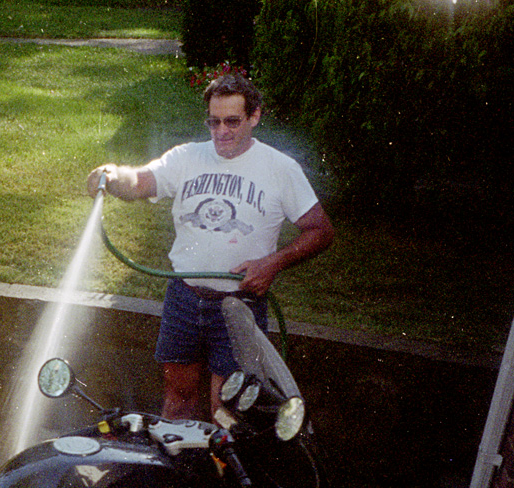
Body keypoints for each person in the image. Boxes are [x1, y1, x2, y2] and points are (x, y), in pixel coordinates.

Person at [86, 73, 333, 421]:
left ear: (254, 117)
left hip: (239, 305)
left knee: (226, 413)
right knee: (177, 401)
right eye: (214, 122)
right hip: (183, 299)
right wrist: (112, 175)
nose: (221, 132)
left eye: (232, 121)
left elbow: (320, 230)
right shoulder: (187, 157)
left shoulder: (281, 169)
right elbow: (141, 181)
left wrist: (274, 263)